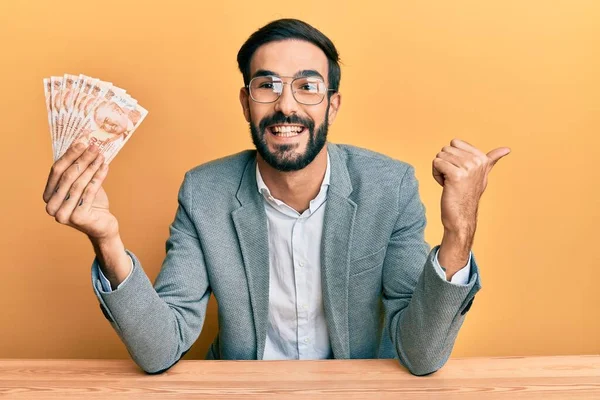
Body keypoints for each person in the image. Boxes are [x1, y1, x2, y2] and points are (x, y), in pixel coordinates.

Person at [42, 19, 510, 375]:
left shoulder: (389, 187)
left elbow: (421, 354)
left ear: (333, 103)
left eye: (308, 87)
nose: (287, 105)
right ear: (246, 102)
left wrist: (458, 233)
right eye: (267, 86)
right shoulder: (205, 192)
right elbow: (160, 350)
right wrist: (106, 240)